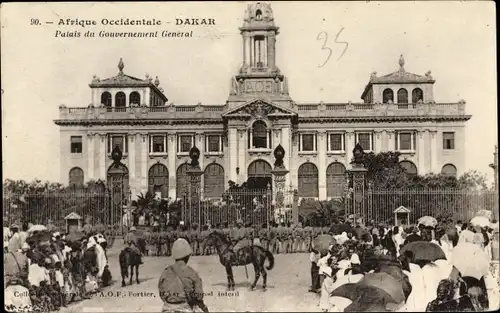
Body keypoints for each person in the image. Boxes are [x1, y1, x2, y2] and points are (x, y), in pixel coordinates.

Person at [158, 238, 209, 313]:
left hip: (167, 308)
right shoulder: (192, 273)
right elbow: (199, 296)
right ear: (187, 256)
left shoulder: (165, 272)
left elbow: (161, 294)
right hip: (185, 308)